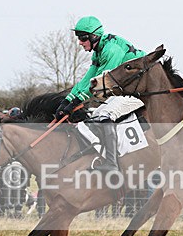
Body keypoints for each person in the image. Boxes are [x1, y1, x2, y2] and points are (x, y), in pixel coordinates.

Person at [54, 16, 145, 173]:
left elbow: (101, 84)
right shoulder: (99, 51)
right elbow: (87, 79)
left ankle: (112, 163)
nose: (80, 42)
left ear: (94, 36)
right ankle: (103, 158)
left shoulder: (111, 50)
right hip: (128, 88)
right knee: (95, 118)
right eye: (79, 38)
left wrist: (76, 102)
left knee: (104, 117)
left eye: (83, 38)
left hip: (141, 89)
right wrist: (68, 100)